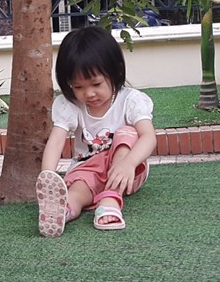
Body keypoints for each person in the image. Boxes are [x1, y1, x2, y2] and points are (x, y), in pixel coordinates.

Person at [36, 25, 157, 236]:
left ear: (115, 71)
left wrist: (129, 163)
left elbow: (148, 136)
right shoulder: (70, 105)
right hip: (87, 169)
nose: (89, 93)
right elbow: (56, 141)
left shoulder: (130, 100)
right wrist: (48, 176)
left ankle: (110, 200)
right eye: (78, 87)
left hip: (126, 169)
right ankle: (64, 210)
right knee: (78, 188)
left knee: (127, 133)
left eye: (96, 84)